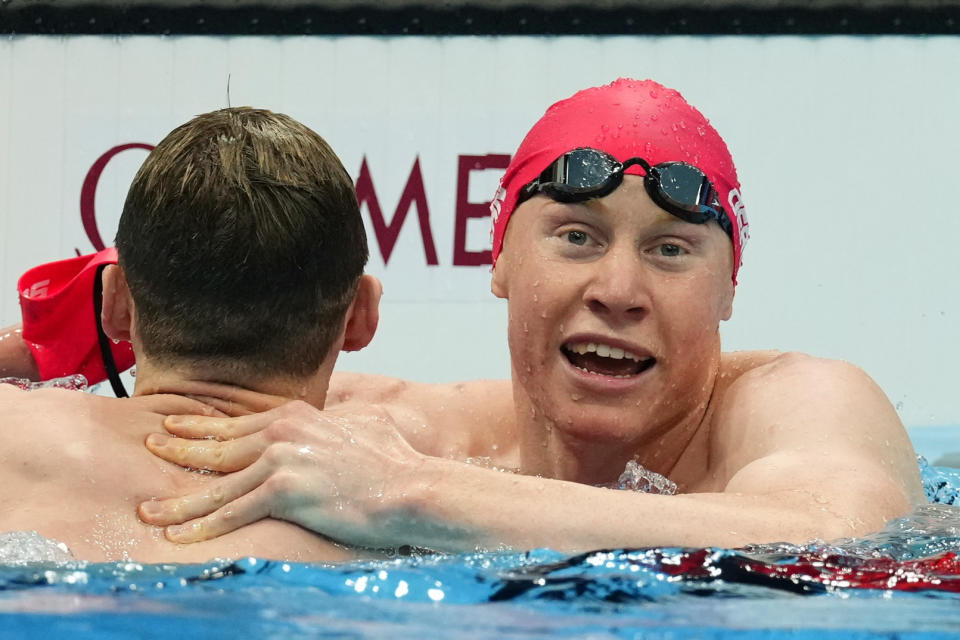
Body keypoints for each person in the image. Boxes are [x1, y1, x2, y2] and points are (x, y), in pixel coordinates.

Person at [131, 79, 925, 553]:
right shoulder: (401, 432)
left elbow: (839, 535)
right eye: (577, 237)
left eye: (672, 251)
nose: (620, 288)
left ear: (729, 290)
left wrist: (417, 496)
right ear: (500, 260)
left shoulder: (804, 401)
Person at [0, 106, 383, 563]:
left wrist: (38, 352)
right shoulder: (404, 495)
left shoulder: (14, 431)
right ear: (362, 315)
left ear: (115, 304)